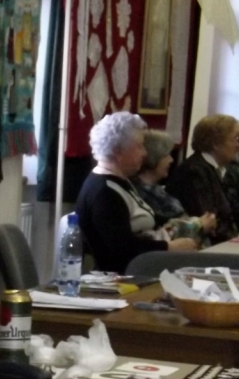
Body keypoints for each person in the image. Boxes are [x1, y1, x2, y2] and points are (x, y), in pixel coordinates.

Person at [75, 113, 197, 274]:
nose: (144, 153)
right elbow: (123, 250)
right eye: (139, 146)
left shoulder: (119, 180)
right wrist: (170, 247)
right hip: (120, 277)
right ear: (118, 152)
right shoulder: (103, 192)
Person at [132, 129, 217, 246]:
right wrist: (199, 225)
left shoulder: (158, 190)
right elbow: (160, 232)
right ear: (154, 157)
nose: (171, 160)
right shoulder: (139, 194)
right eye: (166, 155)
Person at [165, 114, 239, 243]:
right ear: (216, 144)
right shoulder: (194, 171)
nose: (238, 145)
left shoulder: (212, 168)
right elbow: (209, 221)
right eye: (234, 139)